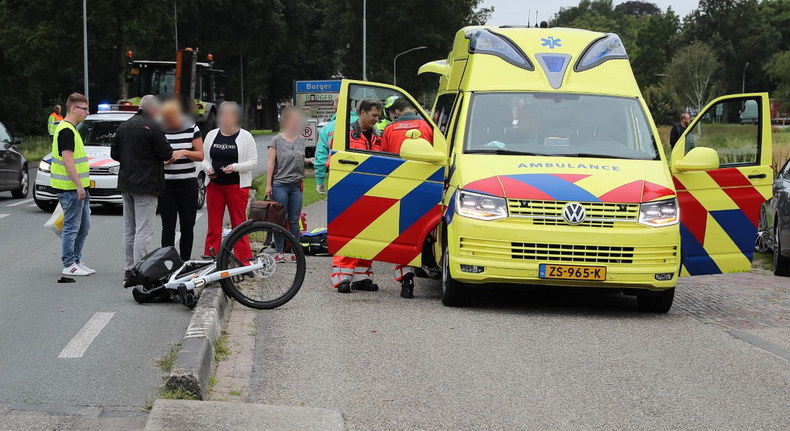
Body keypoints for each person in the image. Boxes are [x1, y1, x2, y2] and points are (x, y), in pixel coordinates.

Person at [111, 95, 173, 283]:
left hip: (126, 184)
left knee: (129, 229)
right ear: (153, 109)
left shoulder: (124, 126)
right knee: (143, 231)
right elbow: (166, 153)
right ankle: (139, 271)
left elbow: (114, 153)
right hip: (147, 184)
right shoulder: (153, 127)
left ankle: (128, 268)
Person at [380, 98, 435, 298]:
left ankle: (406, 279)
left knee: (402, 233)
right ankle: (428, 263)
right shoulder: (427, 126)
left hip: (399, 185)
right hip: (425, 185)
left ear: (396, 111)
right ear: (414, 108)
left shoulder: (389, 129)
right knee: (424, 229)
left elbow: (384, 158)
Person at [330, 98, 383, 293]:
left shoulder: (378, 136)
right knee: (348, 233)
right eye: (374, 115)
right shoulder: (346, 133)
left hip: (372, 191)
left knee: (369, 234)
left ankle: (362, 277)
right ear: (362, 112)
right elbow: (334, 158)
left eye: (378, 116)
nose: (376, 119)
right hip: (349, 190)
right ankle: (342, 277)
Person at [203, 101, 257, 262]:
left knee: (239, 223)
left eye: (227, 114)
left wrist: (234, 167)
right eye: (221, 114)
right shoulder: (212, 135)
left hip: (236, 186)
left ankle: (243, 259)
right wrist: (208, 168)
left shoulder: (245, 136)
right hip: (215, 186)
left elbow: (253, 162)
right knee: (213, 224)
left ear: (235, 117)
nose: (223, 118)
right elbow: (203, 159)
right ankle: (211, 257)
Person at [51, 93, 93, 277]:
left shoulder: (71, 129)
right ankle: (69, 264)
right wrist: (79, 186)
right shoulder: (66, 130)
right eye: (84, 109)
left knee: (83, 227)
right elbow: (68, 162)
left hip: (78, 188)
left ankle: (76, 260)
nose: (87, 112)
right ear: (74, 109)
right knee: (72, 227)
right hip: (70, 188)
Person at [266, 107, 313, 263]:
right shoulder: (276, 140)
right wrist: (268, 185)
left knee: (294, 220)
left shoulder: (300, 140)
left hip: (296, 185)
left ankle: (295, 250)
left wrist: (309, 160)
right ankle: (279, 251)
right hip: (280, 184)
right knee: (279, 219)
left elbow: (298, 157)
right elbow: (271, 163)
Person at [159, 99, 204, 261]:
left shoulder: (191, 127)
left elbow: (200, 155)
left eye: (172, 119)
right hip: (166, 184)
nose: (170, 123)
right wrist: (164, 161)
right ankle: (167, 263)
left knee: (187, 225)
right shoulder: (159, 128)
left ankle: (185, 261)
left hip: (187, 183)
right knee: (168, 226)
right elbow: (153, 154)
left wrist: (185, 152)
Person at [314, 103, 358, 195]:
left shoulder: (327, 128)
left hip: (337, 171)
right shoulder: (362, 122)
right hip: (361, 169)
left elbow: (321, 156)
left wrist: (320, 181)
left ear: (335, 108)